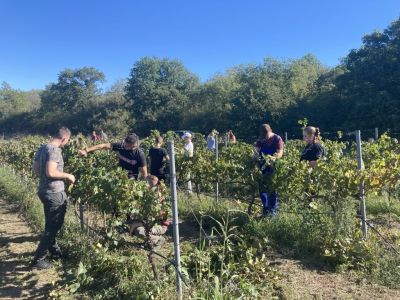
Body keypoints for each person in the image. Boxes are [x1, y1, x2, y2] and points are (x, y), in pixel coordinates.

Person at [31, 127, 75, 269]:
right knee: (53, 226)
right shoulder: (55, 150)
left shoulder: (42, 148)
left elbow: (36, 170)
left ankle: (55, 252)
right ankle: (38, 259)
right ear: (63, 138)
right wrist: (67, 175)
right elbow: (51, 171)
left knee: (51, 224)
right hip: (54, 193)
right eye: (66, 141)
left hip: (44, 190)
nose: (66, 144)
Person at [78, 133, 147, 180]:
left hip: (131, 179)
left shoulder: (139, 154)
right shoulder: (121, 146)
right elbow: (103, 146)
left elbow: (144, 173)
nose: (124, 146)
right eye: (124, 144)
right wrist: (86, 150)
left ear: (134, 146)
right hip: (119, 175)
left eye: (126, 146)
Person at [128, 175, 170, 249]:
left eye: (146, 183)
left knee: (140, 231)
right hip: (148, 223)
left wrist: (136, 224)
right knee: (136, 228)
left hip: (159, 226)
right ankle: (149, 241)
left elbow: (155, 218)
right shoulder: (145, 196)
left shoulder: (159, 198)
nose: (144, 185)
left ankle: (158, 240)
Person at [254, 124, 284, 217]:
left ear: (271, 130)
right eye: (264, 137)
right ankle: (265, 210)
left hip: (272, 167)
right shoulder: (260, 139)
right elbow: (256, 151)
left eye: (266, 136)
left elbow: (280, 152)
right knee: (262, 190)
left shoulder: (277, 139)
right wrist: (256, 156)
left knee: (272, 189)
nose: (265, 138)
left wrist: (273, 158)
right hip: (261, 167)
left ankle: (273, 212)